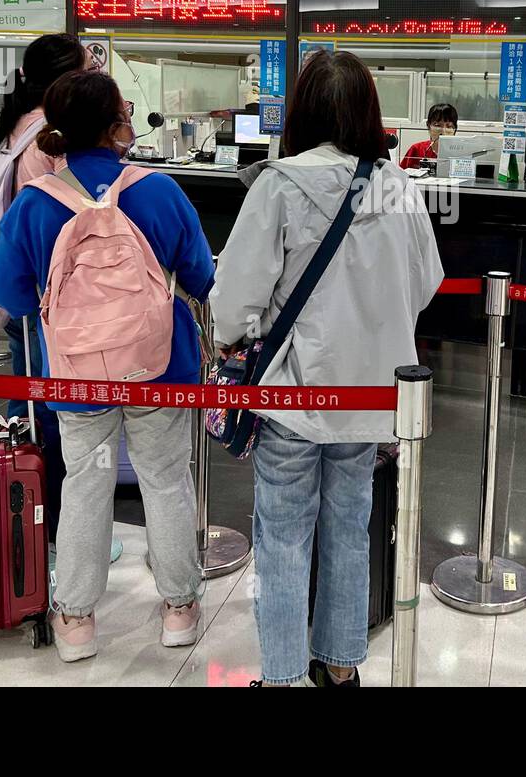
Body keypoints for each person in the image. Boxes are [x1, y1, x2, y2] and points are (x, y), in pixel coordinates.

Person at [211, 49, 444, 687]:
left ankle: (283, 676)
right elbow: (427, 283)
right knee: (348, 528)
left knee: (283, 539)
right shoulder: (401, 189)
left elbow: (233, 301)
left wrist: (237, 341)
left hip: (294, 394)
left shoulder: (280, 184)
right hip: (372, 399)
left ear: (303, 112)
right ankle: (339, 670)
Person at [0, 70, 215, 663]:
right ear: (116, 125)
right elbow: (202, 277)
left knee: (84, 483)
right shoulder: (158, 189)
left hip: (76, 371)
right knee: (166, 479)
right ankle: (179, 608)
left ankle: (78, 620)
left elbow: (5, 291)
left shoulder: (36, 202)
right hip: (160, 368)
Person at [0, 33, 87, 547]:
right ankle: (49, 526)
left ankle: (19, 512)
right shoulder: (50, 135)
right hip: (50, 298)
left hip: (26, 293)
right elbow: (71, 216)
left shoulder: (20, 127)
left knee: (27, 401)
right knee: (49, 410)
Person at [400, 102, 458, 169]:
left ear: (455, 129)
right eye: (437, 125)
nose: (443, 131)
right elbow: (400, 176)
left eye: (449, 126)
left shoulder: (461, 153)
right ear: (428, 126)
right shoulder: (416, 149)